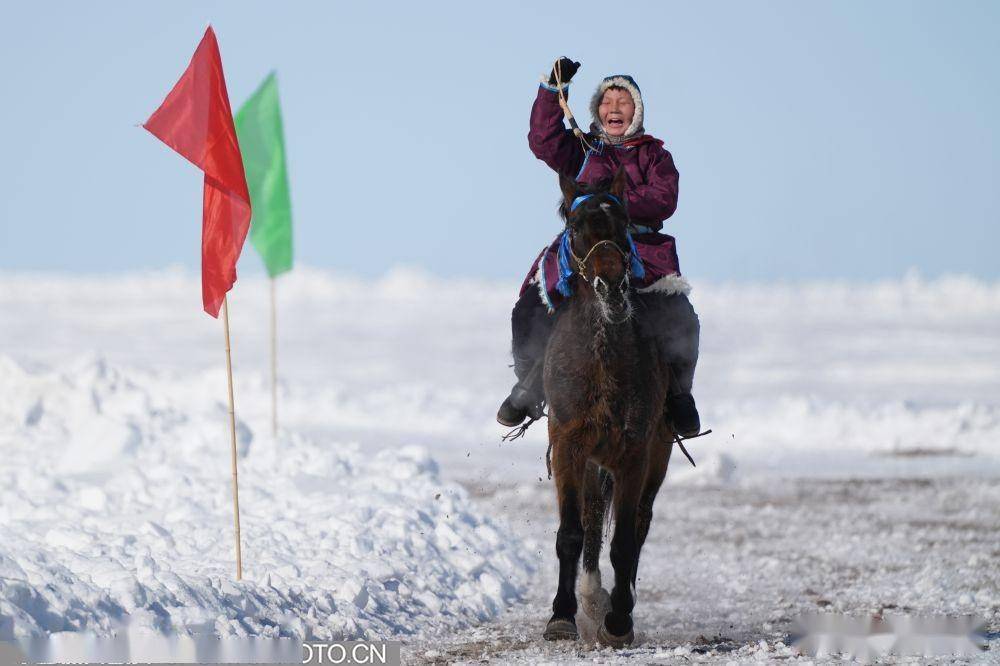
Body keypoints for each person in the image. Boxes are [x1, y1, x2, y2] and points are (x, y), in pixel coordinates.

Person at [496, 57, 702, 437]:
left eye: (623, 102)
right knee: (529, 309)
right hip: (585, 247)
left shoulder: (655, 156)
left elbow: (664, 199)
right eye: (607, 102)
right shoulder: (582, 149)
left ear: (636, 111)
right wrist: (552, 91)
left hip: (641, 248)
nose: (614, 108)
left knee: (679, 317)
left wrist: (612, 204)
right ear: (596, 110)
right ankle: (530, 385)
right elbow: (543, 141)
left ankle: (677, 395)